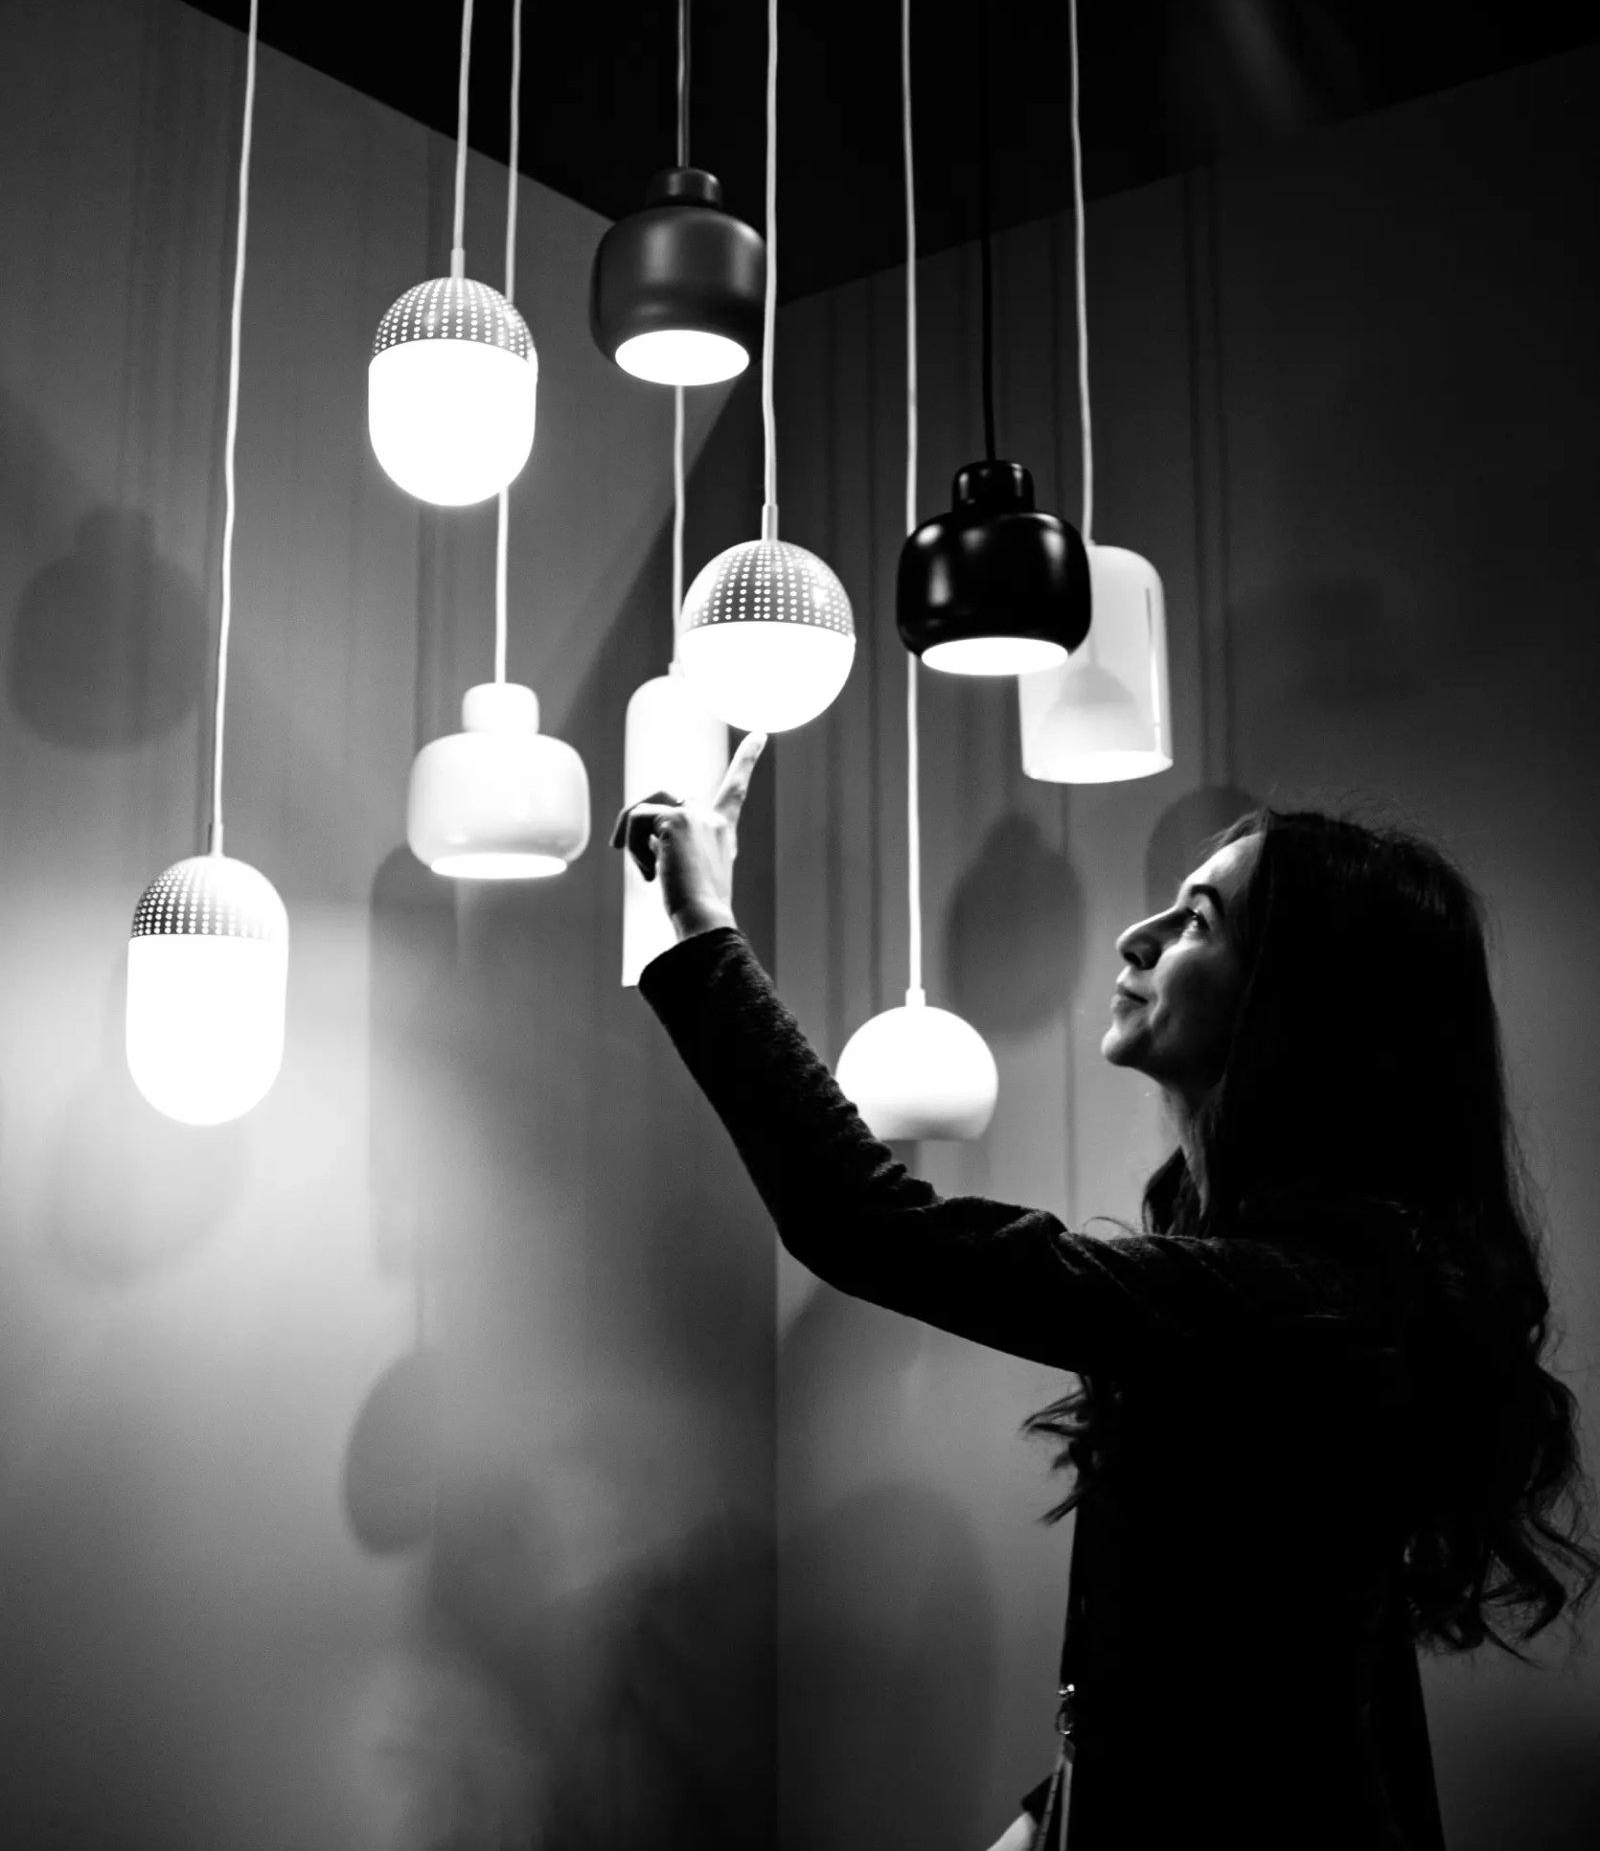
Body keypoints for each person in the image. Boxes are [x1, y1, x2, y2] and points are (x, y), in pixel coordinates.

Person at [611, 733, 1599, 1850]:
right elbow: (1233, 1676)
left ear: (1298, 1008)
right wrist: (1052, 1816)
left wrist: (702, 926)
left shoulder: (1292, 1307)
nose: (1138, 935)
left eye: (1197, 921)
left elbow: (871, 1225)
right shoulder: (1301, 1292)